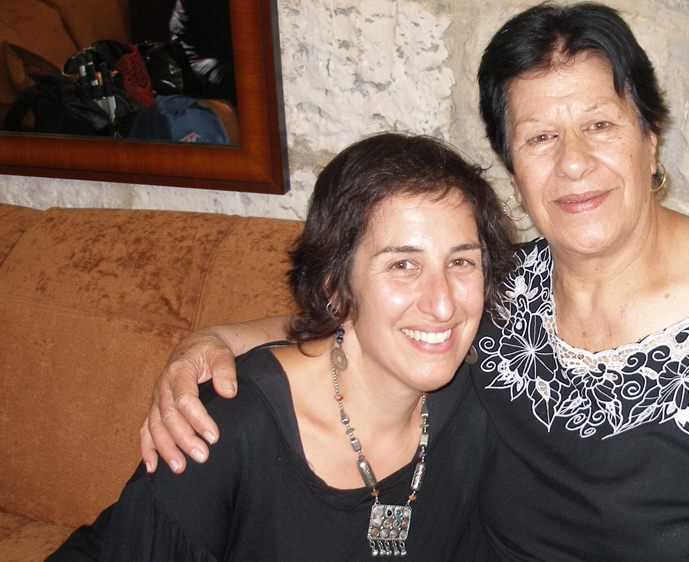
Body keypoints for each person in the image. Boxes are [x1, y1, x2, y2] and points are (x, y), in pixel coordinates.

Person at [140, 4, 689, 561]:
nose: (573, 163)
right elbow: (374, 322)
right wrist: (212, 342)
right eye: (541, 137)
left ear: (650, 138)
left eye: (600, 125)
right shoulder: (498, 293)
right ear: (513, 169)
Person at [47, 132, 516, 561]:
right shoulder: (224, 429)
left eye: (461, 262)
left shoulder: (487, 391)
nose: (442, 304)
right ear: (335, 288)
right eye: (402, 265)